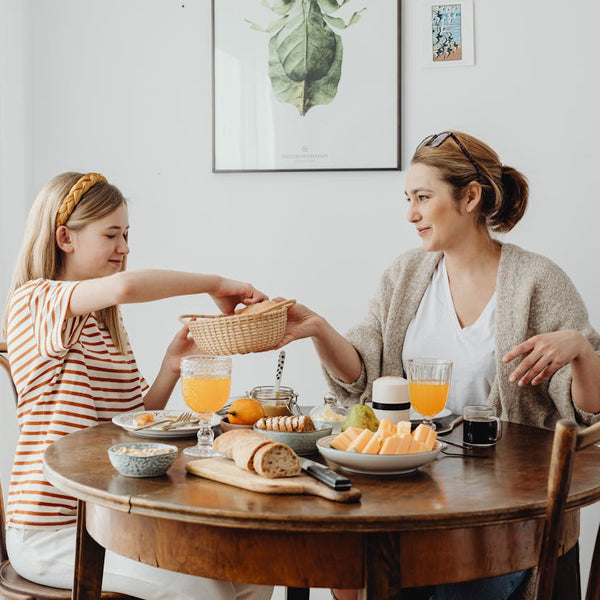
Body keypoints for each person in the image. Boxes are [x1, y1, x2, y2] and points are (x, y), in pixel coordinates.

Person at [277, 131, 600, 600]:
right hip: (410, 499)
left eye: (423, 198)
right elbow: (363, 377)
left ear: (470, 197)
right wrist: (320, 329)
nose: (411, 214)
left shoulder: (537, 282)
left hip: (503, 517)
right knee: (343, 569)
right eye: (409, 198)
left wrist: (583, 351)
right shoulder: (407, 274)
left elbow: (587, 415)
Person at [1, 172, 273, 600]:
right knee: (205, 590)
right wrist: (216, 284)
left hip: (110, 518)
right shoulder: (33, 302)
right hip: (50, 531)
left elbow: (132, 421)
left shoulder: (104, 325)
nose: (124, 248)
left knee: (255, 574)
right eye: (111, 235)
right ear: (64, 238)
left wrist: (171, 365)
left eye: (126, 234)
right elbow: (127, 286)